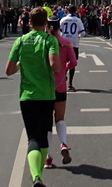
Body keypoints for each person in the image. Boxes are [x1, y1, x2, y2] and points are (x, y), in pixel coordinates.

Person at [6, 7, 61, 187]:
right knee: (45, 135)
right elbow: (55, 66)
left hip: (27, 96)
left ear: (29, 22)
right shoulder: (49, 40)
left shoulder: (21, 41)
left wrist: (22, 63)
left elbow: (8, 70)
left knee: (33, 138)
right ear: (46, 23)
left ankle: (36, 176)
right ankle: (40, 174)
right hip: (46, 94)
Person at [45, 16, 77, 168]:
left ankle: (48, 157)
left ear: (47, 27)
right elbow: (74, 62)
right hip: (61, 84)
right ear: (59, 27)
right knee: (60, 118)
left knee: (46, 123)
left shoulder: (44, 42)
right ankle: (63, 143)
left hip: (44, 85)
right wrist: (64, 68)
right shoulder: (65, 43)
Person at [59, 5, 86, 92]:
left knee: (63, 62)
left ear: (67, 11)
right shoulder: (78, 20)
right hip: (74, 44)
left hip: (64, 43)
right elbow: (83, 33)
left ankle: (62, 79)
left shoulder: (63, 19)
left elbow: (59, 30)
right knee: (72, 63)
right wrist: (78, 36)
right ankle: (70, 83)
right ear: (76, 11)